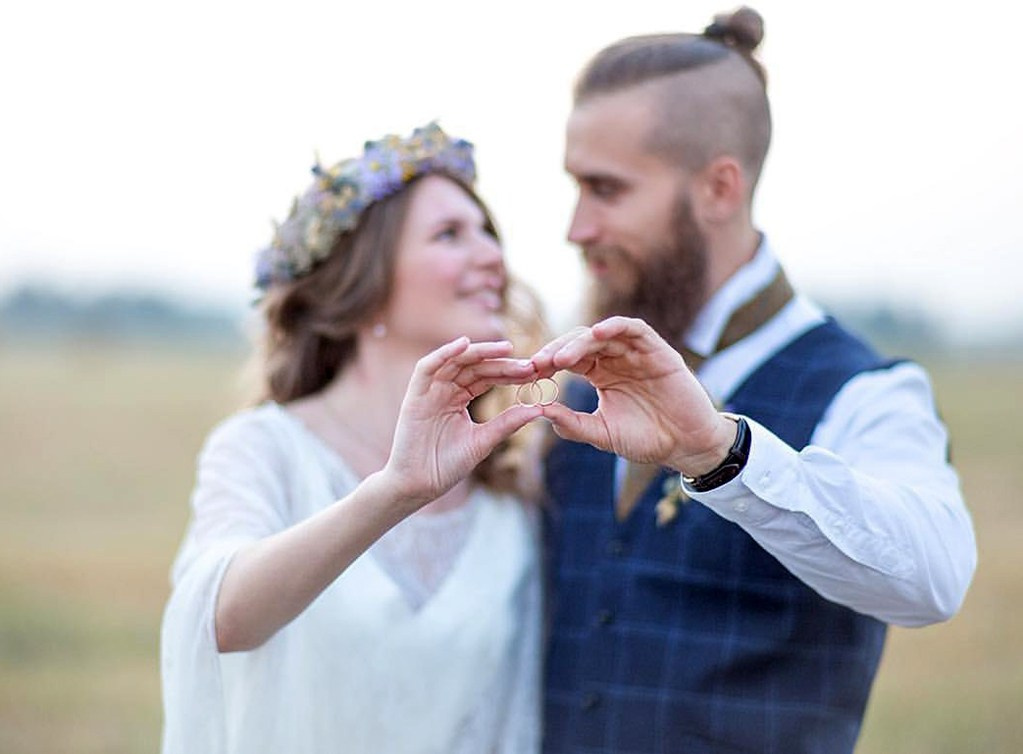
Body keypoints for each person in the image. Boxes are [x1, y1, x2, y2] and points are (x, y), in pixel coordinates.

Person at [533, 8, 977, 753]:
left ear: (717, 189)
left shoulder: (863, 388)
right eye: (575, 187)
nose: (575, 228)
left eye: (605, 190)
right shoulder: (581, 381)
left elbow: (932, 579)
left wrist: (723, 453)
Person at [160, 123, 547, 754]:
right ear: (365, 284)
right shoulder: (264, 449)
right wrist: (394, 491)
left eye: (489, 234)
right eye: (450, 235)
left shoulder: (509, 474)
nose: (492, 257)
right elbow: (218, 618)